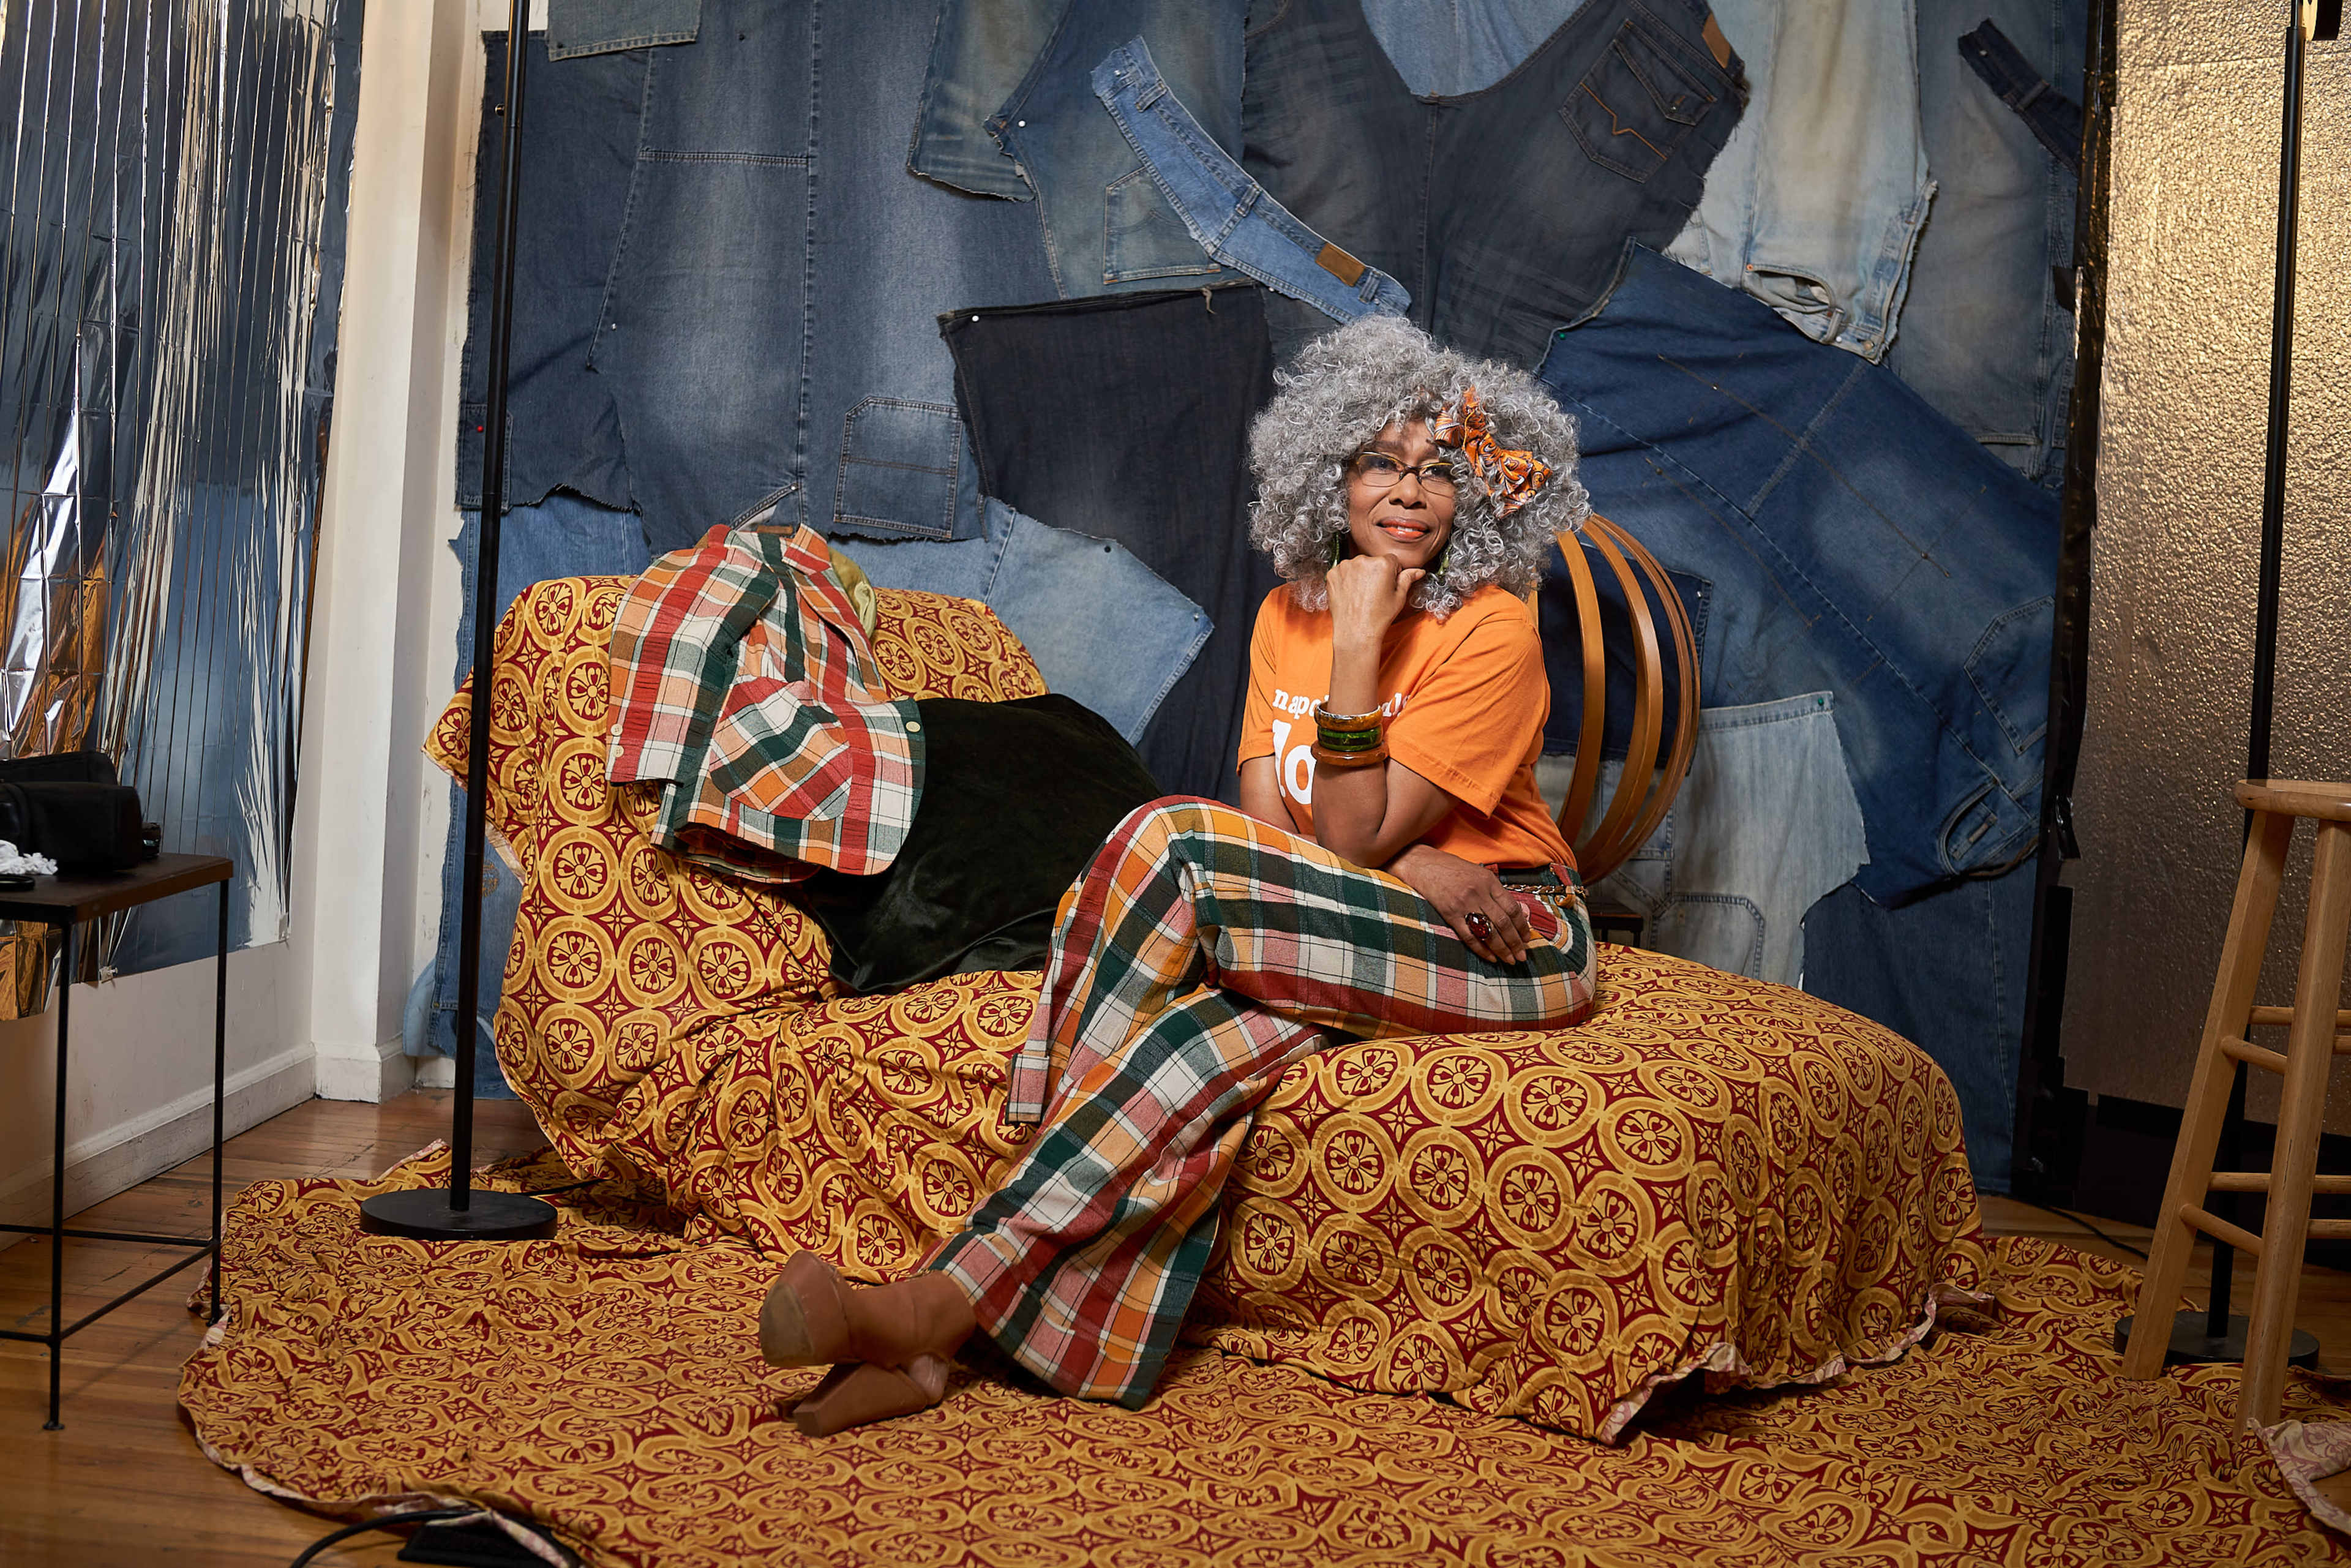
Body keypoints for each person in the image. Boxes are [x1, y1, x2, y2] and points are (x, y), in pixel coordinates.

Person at [757, 313, 1600, 1435]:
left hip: (1509, 938)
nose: (1408, 490)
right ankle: (938, 1325)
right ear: (1327, 474)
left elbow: (1335, 841)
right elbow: (1281, 838)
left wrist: (1364, 652)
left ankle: (996, 1189)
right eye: (1378, 461)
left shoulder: (1490, 632)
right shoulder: (1285, 615)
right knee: (1185, 1050)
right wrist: (1415, 858)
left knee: (1171, 838)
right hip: (1365, 916)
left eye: (1439, 469)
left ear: (1475, 500)